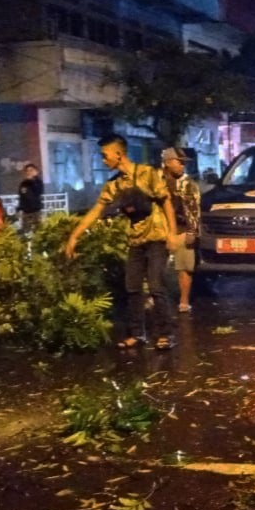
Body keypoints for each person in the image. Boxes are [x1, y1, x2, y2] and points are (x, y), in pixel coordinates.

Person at [65, 135, 180, 351]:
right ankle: (137, 334)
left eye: (105, 155)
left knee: (156, 286)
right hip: (135, 241)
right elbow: (97, 211)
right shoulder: (114, 184)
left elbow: (166, 204)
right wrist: (74, 235)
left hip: (157, 238)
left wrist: (172, 235)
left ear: (119, 154)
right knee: (133, 287)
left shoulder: (147, 174)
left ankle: (166, 334)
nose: (103, 160)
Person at [162, 147, 200, 313]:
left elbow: (194, 209)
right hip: (161, 230)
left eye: (183, 163)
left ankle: (183, 301)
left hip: (182, 229)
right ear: (167, 163)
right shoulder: (158, 182)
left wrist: (192, 230)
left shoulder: (188, 184)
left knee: (184, 267)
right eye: (179, 162)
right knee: (156, 267)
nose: (182, 166)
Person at [18, 163, 44, 234]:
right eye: (27, 171)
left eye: (31, 170)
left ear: (36, 171)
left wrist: (32, 181)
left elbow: (39, 191)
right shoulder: (23, 183)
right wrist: (20, 209)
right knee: (26, 232)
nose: (29, 172)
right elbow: (21, 197)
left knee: (39, 231)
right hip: (26, 212)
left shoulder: (38, 182)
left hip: (36, 211)